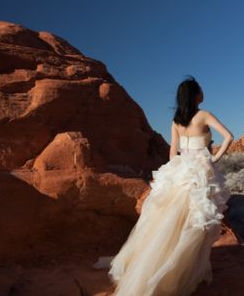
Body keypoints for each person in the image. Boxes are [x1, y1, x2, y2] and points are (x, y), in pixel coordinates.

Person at [94, 76, 233, 295]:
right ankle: (179, 273)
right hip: (199, 171)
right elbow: (229, 136)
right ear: (196, 95)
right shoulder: (204, 115)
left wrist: (175, 169)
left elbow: (172, 152)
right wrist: (214, 159)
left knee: (168, 222)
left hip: (180, 169)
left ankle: (156, 266)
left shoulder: (176, 121)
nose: (203, 93)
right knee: (193, 223)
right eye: (201, 90)